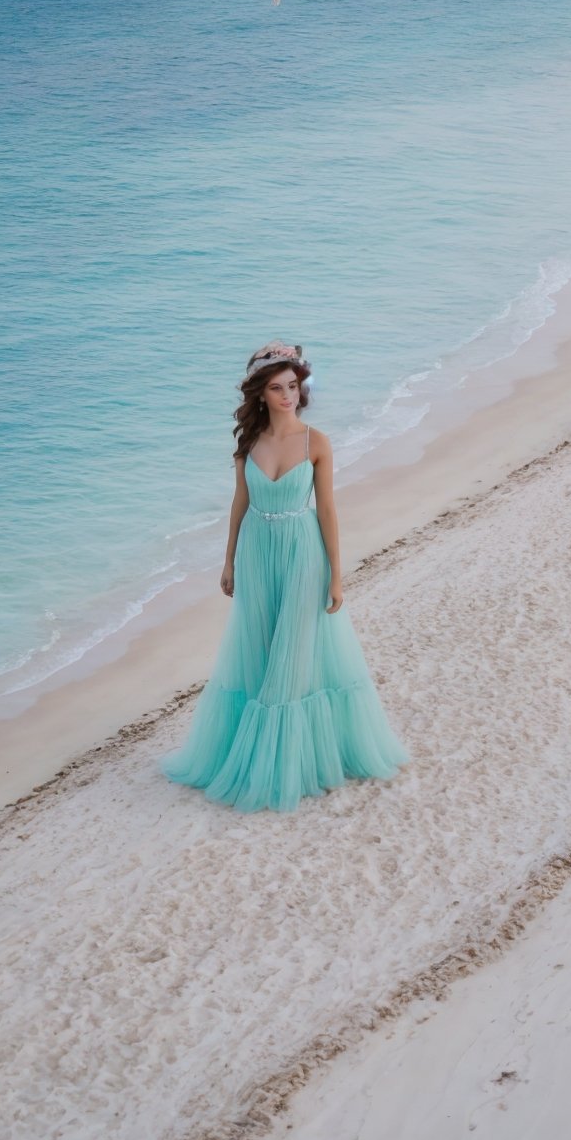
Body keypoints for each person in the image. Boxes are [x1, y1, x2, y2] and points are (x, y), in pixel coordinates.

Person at [160, 339, 410, 812]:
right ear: (260, 394)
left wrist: (336, 575)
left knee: (292, 658)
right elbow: (240, 503)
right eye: (277, 388)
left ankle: (289, 765)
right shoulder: (248, 444)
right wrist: (229, 559)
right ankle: (253, 756)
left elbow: (328, 510)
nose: (287, 396)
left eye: (293, 386)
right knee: (258, 651)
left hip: (302, 553)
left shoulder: (317, 442)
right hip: (257, 553)